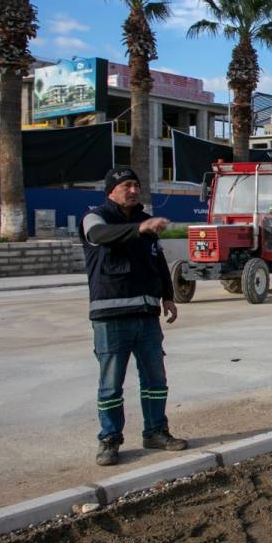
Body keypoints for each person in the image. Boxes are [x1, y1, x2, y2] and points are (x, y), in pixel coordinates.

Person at [81, 167, 186, 467]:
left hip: (146, 315)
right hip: (110, 316)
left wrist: (168, 295)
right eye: (126, 185)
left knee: (156, 379)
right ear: (111, 190)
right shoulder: (96, 216)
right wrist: (139, 229)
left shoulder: (145, 221)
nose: (133, 190)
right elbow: (99, 236)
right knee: (111, 384)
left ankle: (155, 431)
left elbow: (158, 259)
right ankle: (109, 440)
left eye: (136, 185)